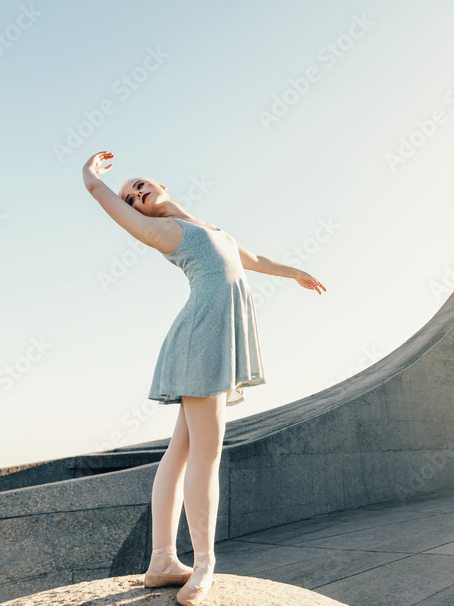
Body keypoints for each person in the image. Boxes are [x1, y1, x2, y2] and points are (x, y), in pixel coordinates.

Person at [81, 151, 326, 604]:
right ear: (138, 213)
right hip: (203, 341)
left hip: (210, 341)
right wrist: (90, 176)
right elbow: (102, 197)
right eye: (131, 198)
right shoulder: (163, 232)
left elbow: (252, 258)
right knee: (206, 454)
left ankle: (161, 561)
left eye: (138, 184)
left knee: (182, 450)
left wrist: (296, 273)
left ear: (162, 183)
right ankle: (205, 561)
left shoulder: (206, 229)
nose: (135, 194)